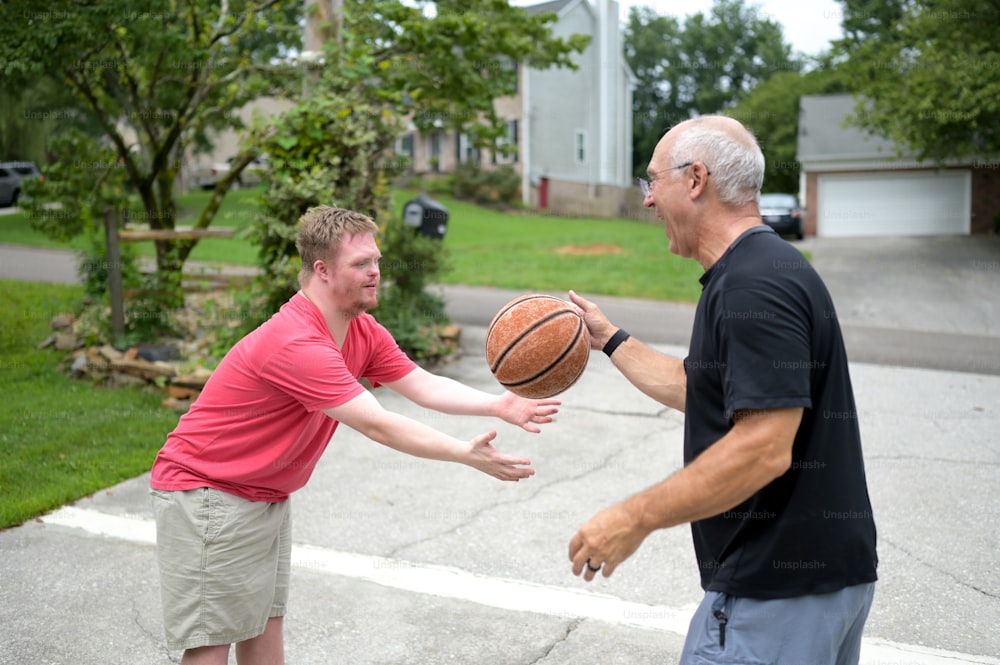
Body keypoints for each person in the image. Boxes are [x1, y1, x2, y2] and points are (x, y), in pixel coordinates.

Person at [149, 205, 560, 664]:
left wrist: (497, 404)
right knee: (212, 642)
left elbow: (420, 383)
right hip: (209, 493)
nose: (376, 273)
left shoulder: (358, 329)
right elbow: (377, 423)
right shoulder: (297, 343)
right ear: (322, 271)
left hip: (262, 495)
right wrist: (464, 453)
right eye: (361, 264)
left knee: (263, 627)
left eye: (377, 261)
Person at [566, 115, 877, 664]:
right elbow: (707, 389)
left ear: (695, 180)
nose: (646, 201)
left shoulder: (752, 283)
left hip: (777, 592)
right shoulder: (770, 266)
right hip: (820, 584)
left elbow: (762, 447)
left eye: (651, 181)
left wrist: (633, 517)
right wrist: (611, 339)